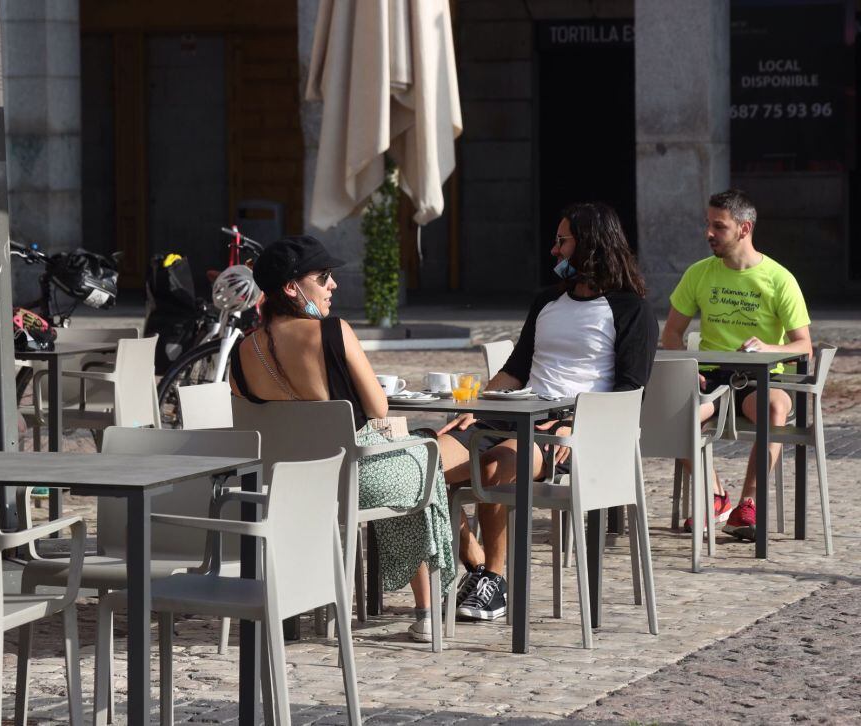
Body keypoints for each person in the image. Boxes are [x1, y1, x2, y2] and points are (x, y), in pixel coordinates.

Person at [436, 202, 658, 621]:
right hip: (509, 415)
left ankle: (495, 583)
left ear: (589, 245)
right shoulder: (547, 301)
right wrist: (477, 405)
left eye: (562, 241)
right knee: (423, 462)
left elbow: (631, 392)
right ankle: (478, 564)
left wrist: (574, 423)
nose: (554, 251)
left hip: (571, 431)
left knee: (494, 466)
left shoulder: (632, 310)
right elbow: (516, 369)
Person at [228, 235, 456, 642]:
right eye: (324, 276)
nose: (333, 285)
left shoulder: (243, 351)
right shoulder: (334, 332)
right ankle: (427, 610)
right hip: (350, 478)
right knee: (425, 459)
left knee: (404, 456)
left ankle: (298, 608)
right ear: (291, 287)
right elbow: (379, 409)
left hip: (284, 483)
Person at [662, 189, 812, 541]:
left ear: (744, 229)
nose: (709, 233)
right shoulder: (699, 274)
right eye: (708, 224)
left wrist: (768, 347)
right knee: (670, 413)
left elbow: (804, 345)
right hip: (711, 378)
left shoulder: (779, 278)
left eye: (719, 226)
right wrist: (688, 369)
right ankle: (715, 495)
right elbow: (671, 332)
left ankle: (748, 504)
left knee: (774, 407)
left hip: (762, 376)